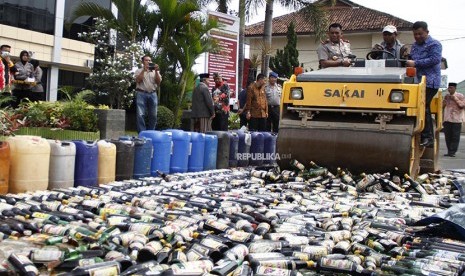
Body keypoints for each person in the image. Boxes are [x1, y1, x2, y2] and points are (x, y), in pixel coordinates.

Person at [406, 21, 443, 147]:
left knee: (424, 105)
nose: (417, 36)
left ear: (427, 32)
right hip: (416, 81)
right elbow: (411, 58)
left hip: (430, 82)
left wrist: (415, 63)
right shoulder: (415, 46)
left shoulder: (435, 44)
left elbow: (434, 60)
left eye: (420, 34)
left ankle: (428, 138)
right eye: (415, 34)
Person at [135, 55, 162, 132]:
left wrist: (156, 71)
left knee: (153, 115)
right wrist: (144, 70)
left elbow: (158, 82)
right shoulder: (138, 71)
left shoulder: (155, 71)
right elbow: (138, 80)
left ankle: (151, 132)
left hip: (153, 94)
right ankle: (142, 132)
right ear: (143, 62)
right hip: (141, 93)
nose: (149, 62)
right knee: (140, 114)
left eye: (150, 60)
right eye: (147, 60)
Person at [442, 82, 465, 157]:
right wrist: (444, 101)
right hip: (447, 119)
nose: (449, 89)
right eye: (449, 88)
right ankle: (449, 151)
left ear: (455, 88)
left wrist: (455, 98)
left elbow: (462, 105)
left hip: (456, 119)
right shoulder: (446, 96)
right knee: (448, 136)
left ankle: (452, 152)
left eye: (451, 88)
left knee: (455, 136)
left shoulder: (460, 96)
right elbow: (442, 106)